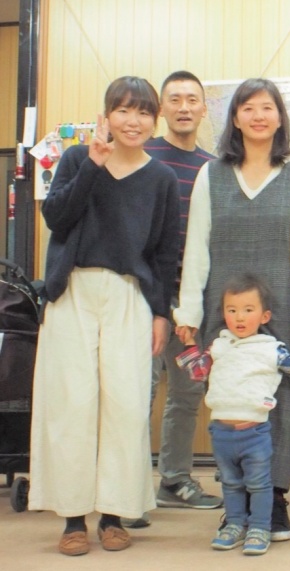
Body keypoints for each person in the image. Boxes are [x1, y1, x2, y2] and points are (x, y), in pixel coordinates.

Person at [29, 76, 180, 556]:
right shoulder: (79, 158)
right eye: (123, 110)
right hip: (73, 291)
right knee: (71, 404)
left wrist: (162, 313)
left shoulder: (162, 178)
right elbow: (56, 217)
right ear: (107, 114)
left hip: (129, 295)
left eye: (143, 112)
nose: (133, 121)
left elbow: (165, 253)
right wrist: (94, 165)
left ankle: (114, 515)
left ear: (154, 120)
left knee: (126, 406)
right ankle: (73, 518)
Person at [175, 78, 290, 542]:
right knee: (229, 399)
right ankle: (236, 504)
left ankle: (274, 498)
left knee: (281, 401)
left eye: (267, 107)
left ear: (280, 118)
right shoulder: (211, 175)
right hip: (223, 305)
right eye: (248, 108)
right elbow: (196, 245)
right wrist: (189, 312)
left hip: (281, 300)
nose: (258, 116)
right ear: (235, 118)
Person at [176, 274, 290, 555]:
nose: (239, 317)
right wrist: (190, 344)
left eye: (248, 310)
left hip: (254, 434)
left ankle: (259, 527)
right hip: (221, 432)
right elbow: (198, 372)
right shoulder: (219, 345)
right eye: (232, 310)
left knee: (259, 484)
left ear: (265, 316)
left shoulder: (270, 348)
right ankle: (234, 524)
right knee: (230, 483)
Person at [142, 70, 221, 519]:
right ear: (162, 109)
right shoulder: (143, 154)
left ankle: (173, 479)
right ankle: (129, 487)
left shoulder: (212, 168)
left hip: (192, 301)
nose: (184, 107)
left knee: (188, 394)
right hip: (144, 298)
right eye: (175, 99)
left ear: (204, 109)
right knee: (139, 392)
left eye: (193, 99)